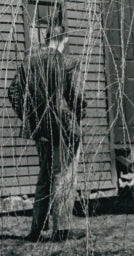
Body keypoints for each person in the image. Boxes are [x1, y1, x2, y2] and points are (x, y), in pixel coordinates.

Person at [7, 23, 87, 242]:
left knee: (44, 176)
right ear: (65, 39)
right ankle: (61, 229)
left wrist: (29, 117)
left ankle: (37, 229)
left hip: (40, 128)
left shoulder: (28, 62)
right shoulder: (69, 63)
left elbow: (13, 92)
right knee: (65, 175)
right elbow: (77, 97)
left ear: (46, 38)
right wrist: (77, 115)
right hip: (65, 126)